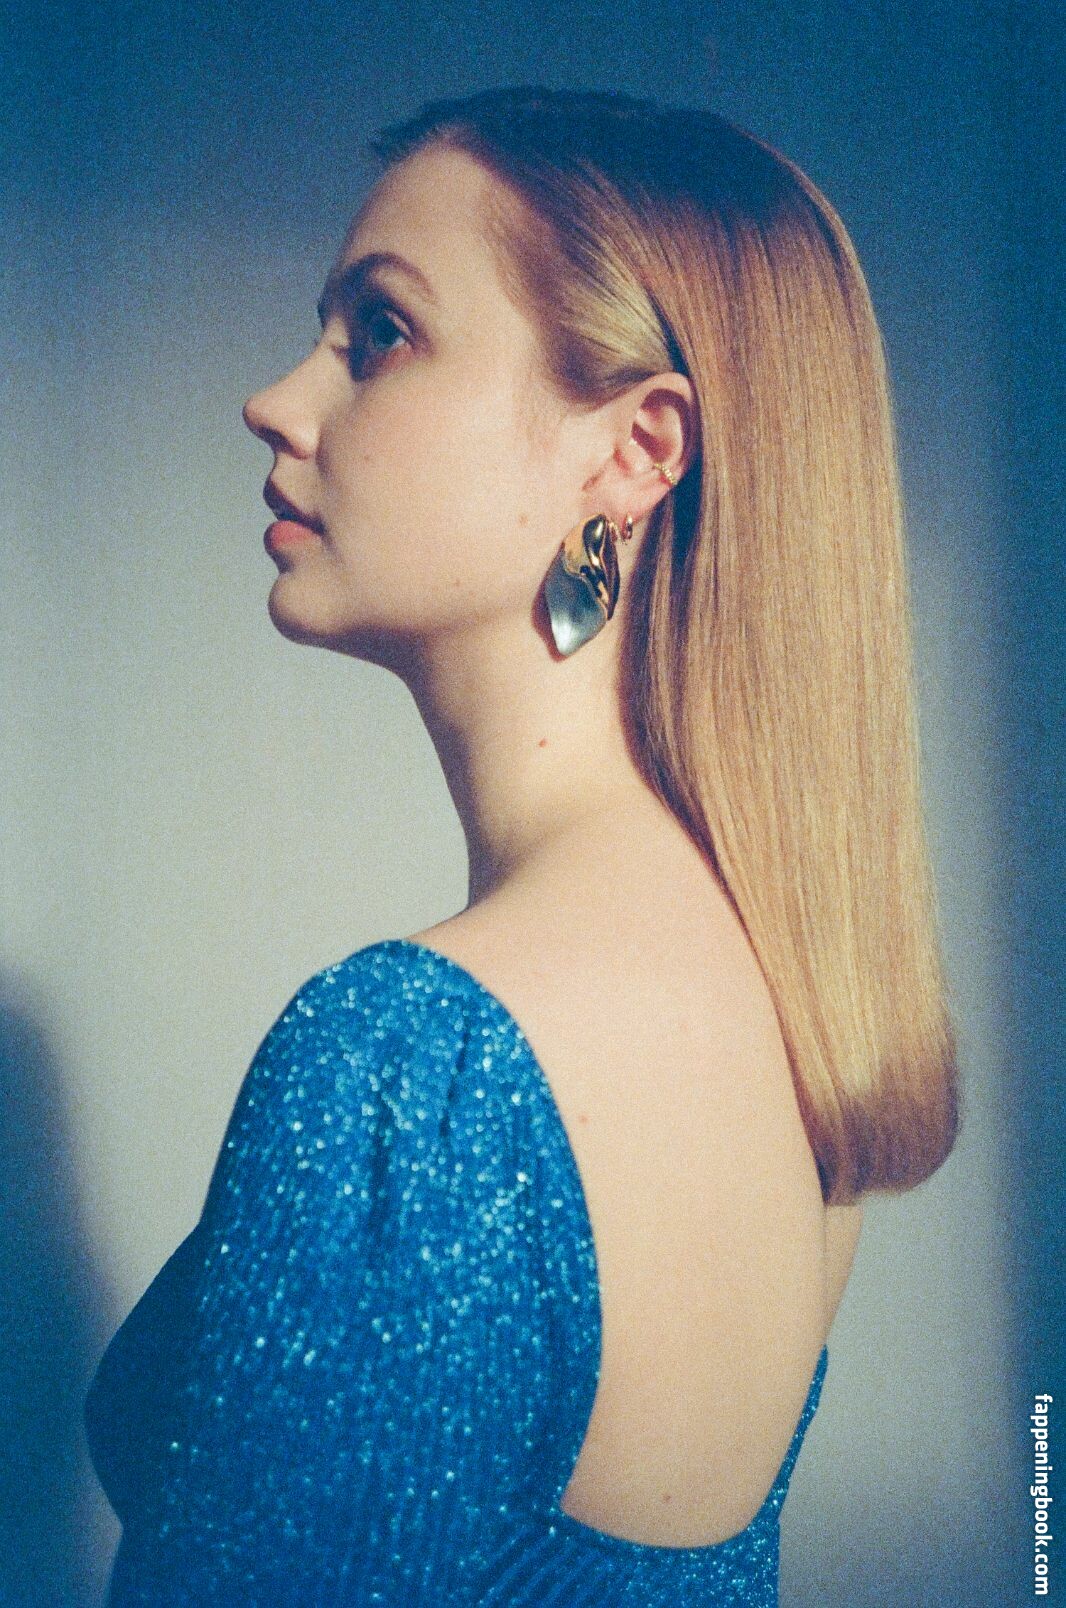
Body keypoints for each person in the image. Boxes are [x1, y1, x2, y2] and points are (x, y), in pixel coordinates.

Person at [84, 85, 961, 1605]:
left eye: (380, 333)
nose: (278, 401)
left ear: (633, 450)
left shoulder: (416, 1066)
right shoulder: (806, 1031)